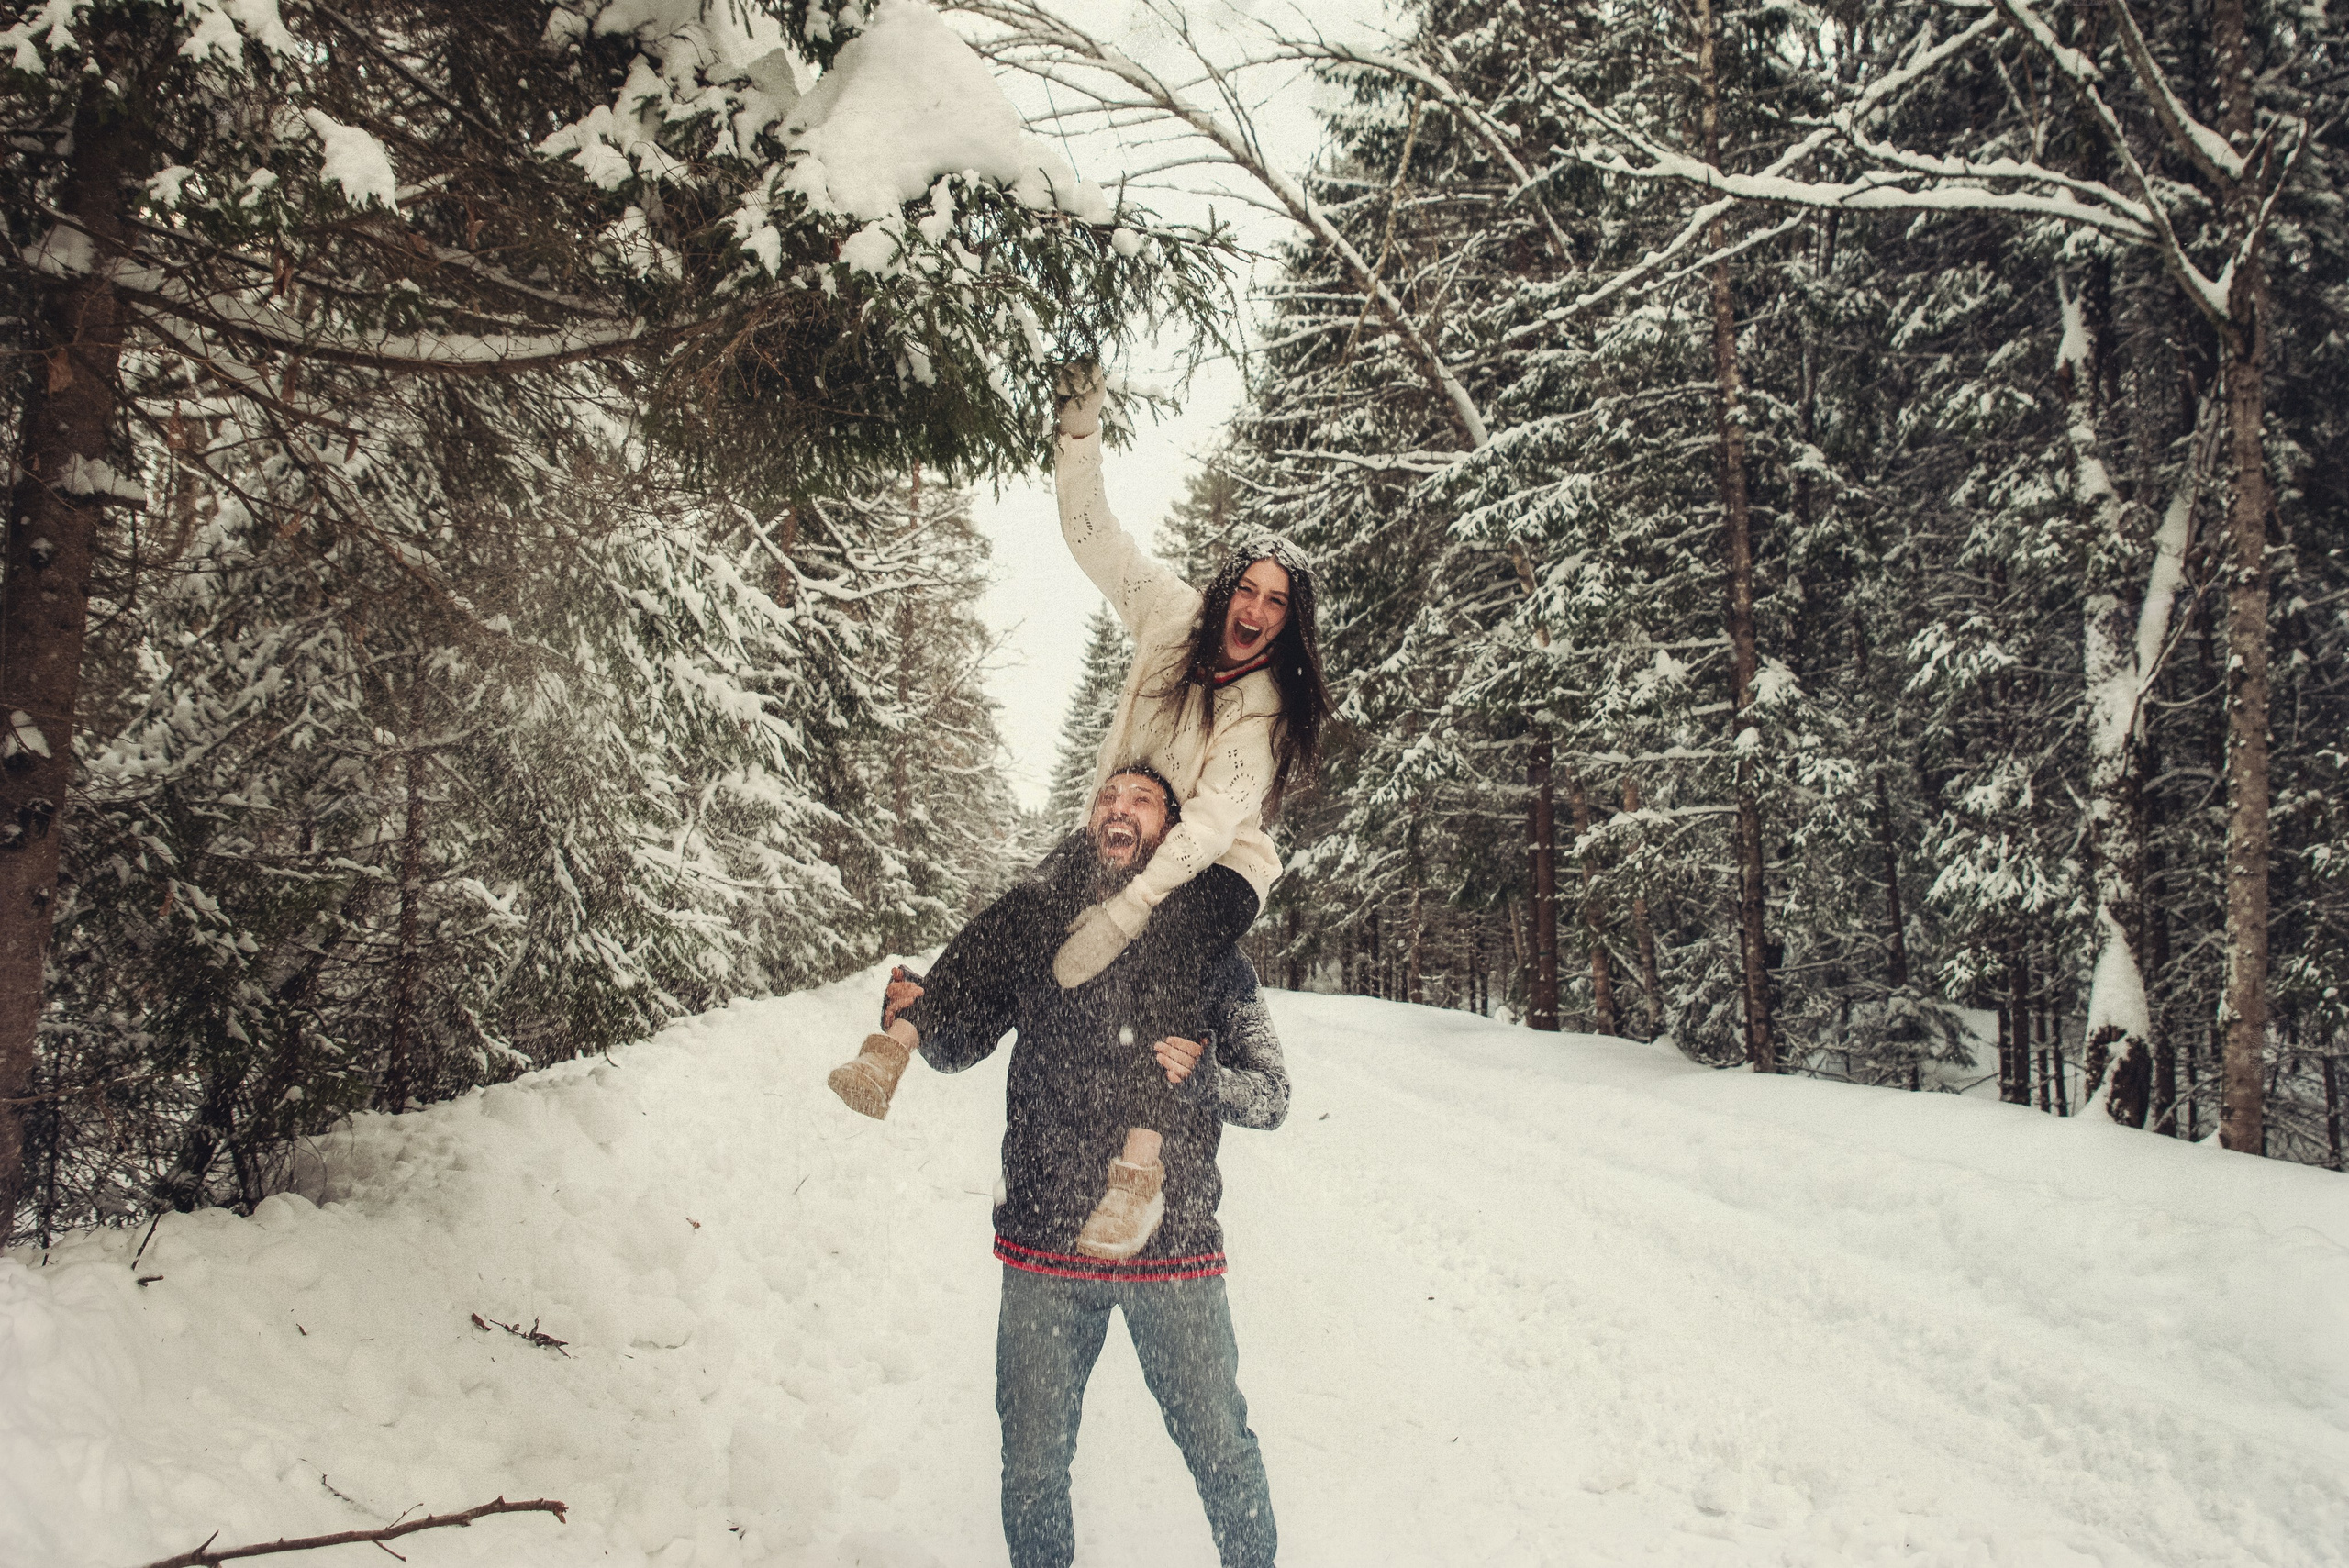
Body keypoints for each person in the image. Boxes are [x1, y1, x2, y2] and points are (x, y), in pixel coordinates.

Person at [826, 365, 1331, 1258]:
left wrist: (1133, 906)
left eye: (1274, 602)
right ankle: (894, 1042)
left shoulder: (1263, 707)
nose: (1253, 610)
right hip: (1125, 832)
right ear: (1223, 590)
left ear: (1287, 623)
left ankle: (1137, 1172)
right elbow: (1092, 534)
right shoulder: (1170, 616)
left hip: (1215, 864)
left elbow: (1211, 823)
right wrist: (1078, 431)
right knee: (1024, 904)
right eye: (1246, 589)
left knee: (1171, 938)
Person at [871, 768, 1289, 1568]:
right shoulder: (1040, 924)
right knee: (1031, 1469)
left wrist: (1202, 1079)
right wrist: (913, 1012)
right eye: (1108, 797)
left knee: (1221, 1451)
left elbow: (1271, 1094)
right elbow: (959, 1044)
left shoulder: (1205, 943)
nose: (1118, 809)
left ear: (1172, 829)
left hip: (1173, 1245)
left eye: (1140, 800)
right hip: (1044, 1238)